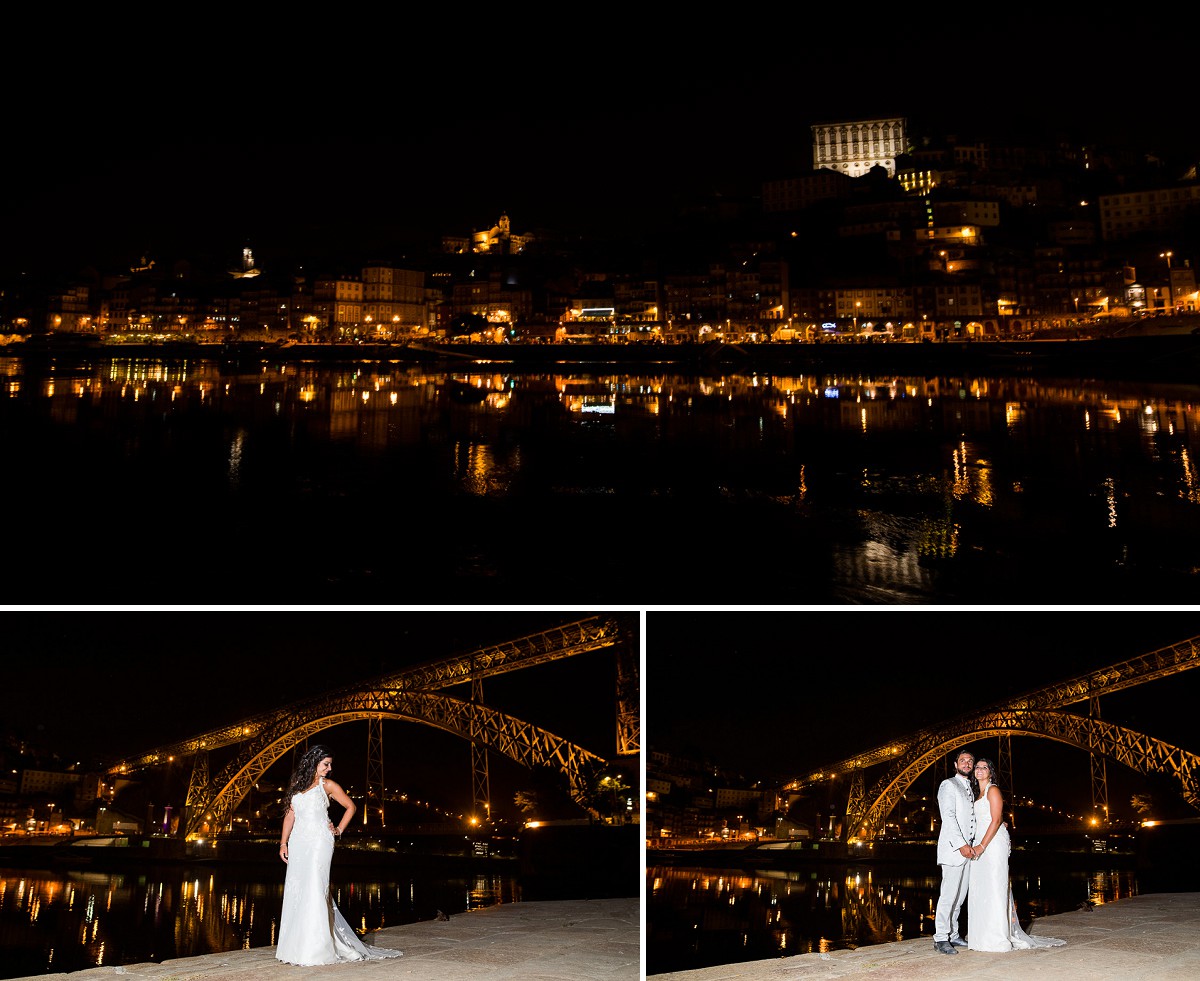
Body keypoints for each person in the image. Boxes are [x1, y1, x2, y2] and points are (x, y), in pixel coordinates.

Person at [275, 744, 402, 966]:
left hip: (319, 842)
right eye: (326, 764)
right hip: (299, 842)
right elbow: (289, 816)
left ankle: (316, 949)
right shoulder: (296, 785)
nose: (329, 768)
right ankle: (295, 947)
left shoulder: (329, 785)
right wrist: (283, 842)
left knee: (316, 887)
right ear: (314, 762)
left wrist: (338, 830)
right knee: (298, 889)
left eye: (330, 764)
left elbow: (351, 807)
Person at [966, 758, 1066, 952]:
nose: (979, 770)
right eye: (977, 767)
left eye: (984, 767)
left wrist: (980, 847)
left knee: (995, 886)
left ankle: (997, 937)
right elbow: (992, 818)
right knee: (981, 887)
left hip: (990, 844)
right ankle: (982, 934)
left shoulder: (993, 790)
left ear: (991, 772)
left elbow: (995, 821)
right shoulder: (978, 794)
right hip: (982, 840)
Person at [932, 747, 977, 954]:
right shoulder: (948, 785)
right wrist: (961, 845)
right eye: (963, 760)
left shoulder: (970, 788)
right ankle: (940, 938)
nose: (966, 763)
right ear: (955, 765)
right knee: (948, 896)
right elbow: (948, 816)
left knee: (960, 897)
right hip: (954, 850)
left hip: (969, 852)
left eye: (970, 761)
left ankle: (953, 934)